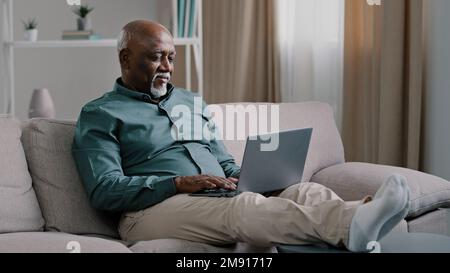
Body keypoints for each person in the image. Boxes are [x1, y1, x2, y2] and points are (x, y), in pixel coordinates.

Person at [72, 20, 411, 252]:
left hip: (217, 197)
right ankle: (353, 225)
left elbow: (222, 162)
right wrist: (177, 183)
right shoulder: (101, 114)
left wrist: (251, 178)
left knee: (304, 190)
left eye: (171, 57)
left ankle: (359, 230)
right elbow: (104, 189)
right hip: (149, 211)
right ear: (125, 58)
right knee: (246, 207)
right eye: (156, 57)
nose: (168, 67)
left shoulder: (189, 102)